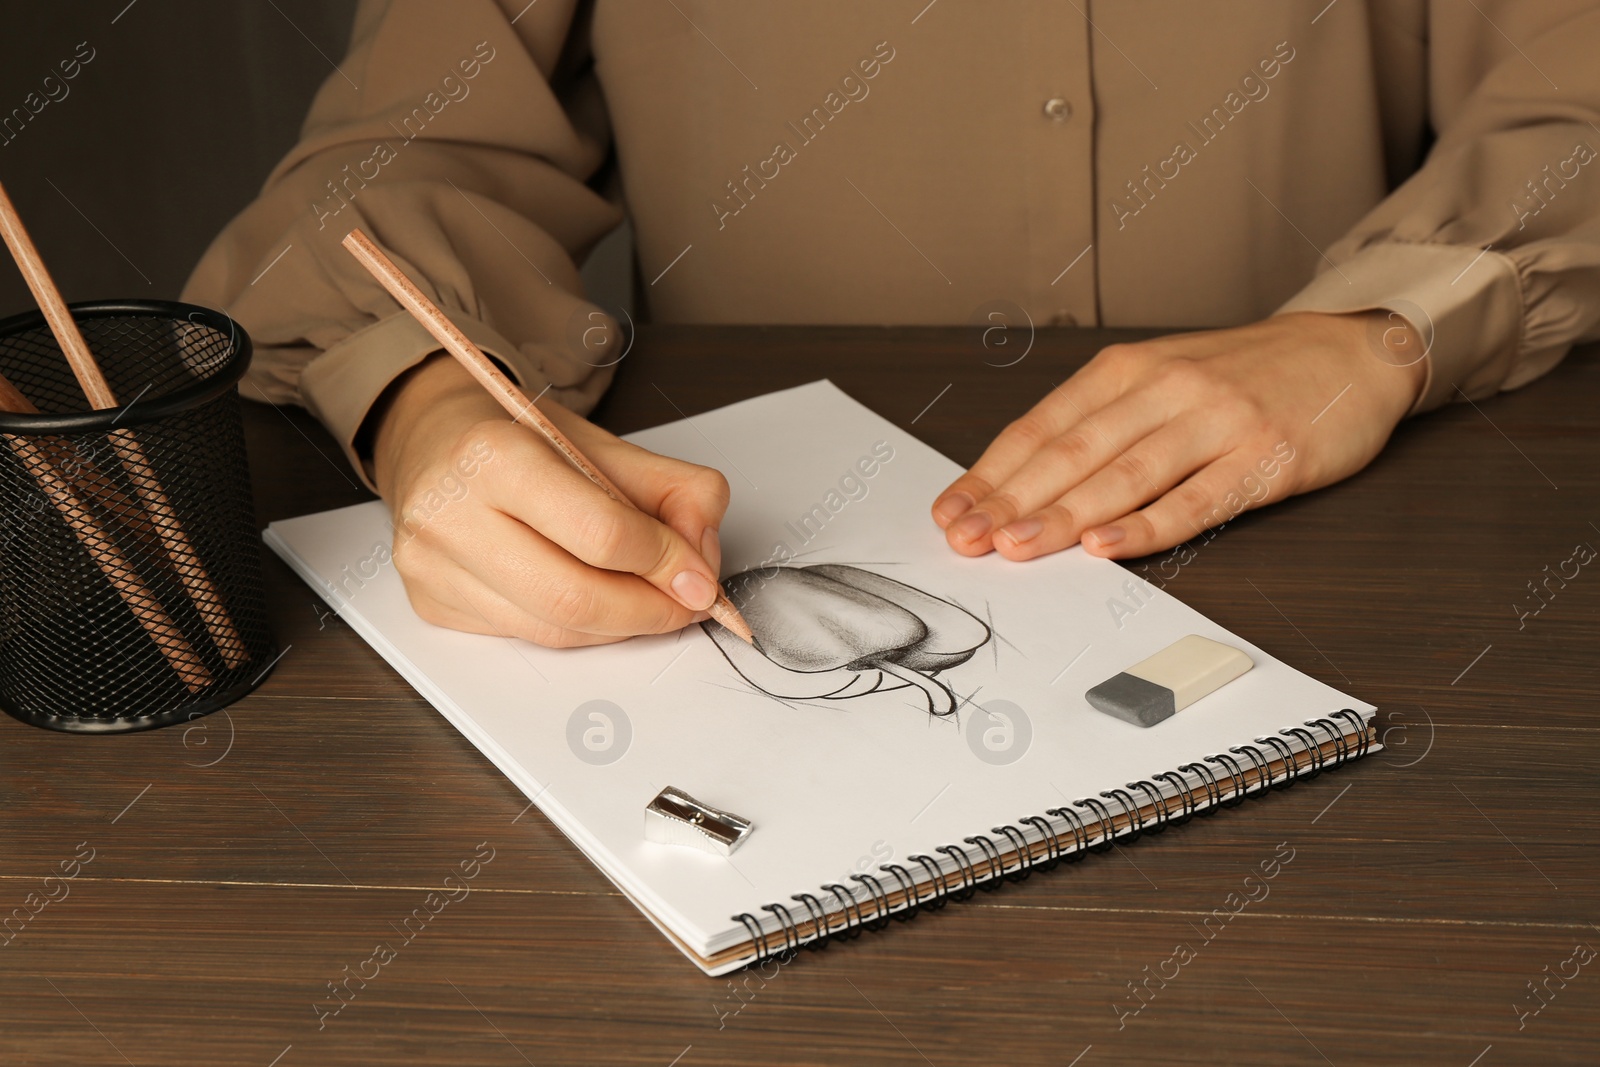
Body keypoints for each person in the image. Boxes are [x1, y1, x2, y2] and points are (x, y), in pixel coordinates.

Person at [185, 0, 1600, 649]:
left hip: (1359, 573)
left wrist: (1385, 329)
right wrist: (433, 404)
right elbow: (390, 163)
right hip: (742, 558)